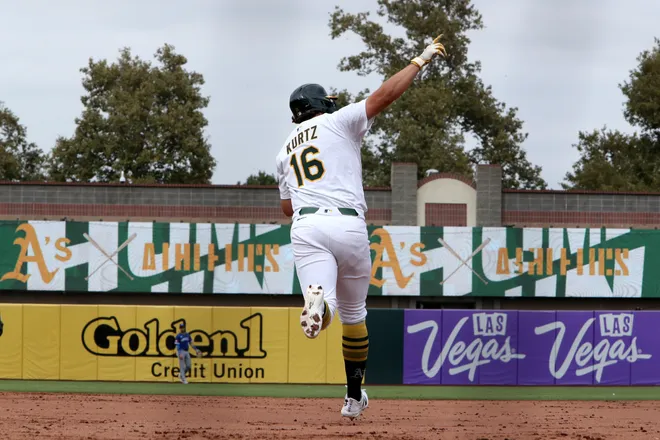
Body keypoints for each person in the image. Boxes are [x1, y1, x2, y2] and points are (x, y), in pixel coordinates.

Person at [275, 35, 447, 418]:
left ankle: (319, 305)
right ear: (322, 106)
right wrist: (419, 60)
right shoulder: (337, 121)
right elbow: (385, 95)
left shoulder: (284, 150)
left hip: (307, 226)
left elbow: (287, 207)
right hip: (349, 224)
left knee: (326, 312)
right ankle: (353, 398)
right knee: (355, 315)